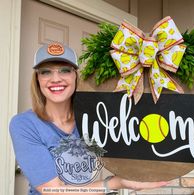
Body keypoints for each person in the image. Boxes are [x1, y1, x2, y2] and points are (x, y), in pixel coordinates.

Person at [10, 42, 168, 195]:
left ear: (75, 77)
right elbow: (53, 191)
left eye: (65, 70)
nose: (56, 78)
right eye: (46, 72)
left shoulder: (92, 119)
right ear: (37, 79)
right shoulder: (24, 125)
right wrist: (115, 183)